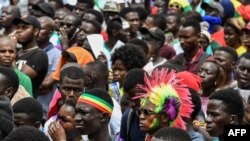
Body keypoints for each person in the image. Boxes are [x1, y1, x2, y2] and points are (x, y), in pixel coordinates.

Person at [135, 68, 193, 140]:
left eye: (147, 112)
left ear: (164, 117)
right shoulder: (147, 137)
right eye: (139, 111)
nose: (141, 117)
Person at [13, 15, 48, 97]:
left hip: (24, 102)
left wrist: (12, 50)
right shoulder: (16, 52)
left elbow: (18, 81)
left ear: (35, 31)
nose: (19, 31)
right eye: (18, 27)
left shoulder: (39, 55)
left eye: (24, 27)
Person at [37, 16, 61, 120]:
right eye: (35, 27)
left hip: (44, 111)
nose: (36, 31)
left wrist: (28, 84)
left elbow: (46, 83)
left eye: (41, 28)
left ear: (50, 32)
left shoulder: (57, 55)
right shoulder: (25, 51)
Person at [119, 69, 147, 141]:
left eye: (137, 99)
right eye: (129, 99)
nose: (131, 104)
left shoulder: (163, 117)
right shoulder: (128, 117)